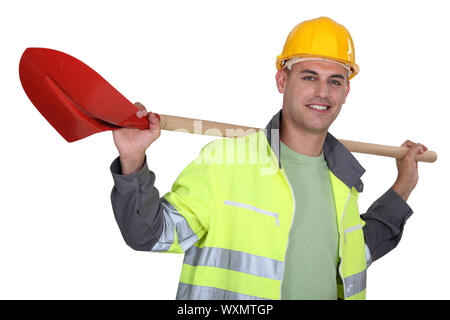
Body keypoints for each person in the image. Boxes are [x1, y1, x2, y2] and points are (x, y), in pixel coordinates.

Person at [109, 17, 426, 300]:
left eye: (335, 81)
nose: (323, 93)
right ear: (282, 81)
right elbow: (148, 234)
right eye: (309, 76)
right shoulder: (226, 161)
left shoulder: (343, 181)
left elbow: (358, 251)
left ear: (346, 92)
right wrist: (133, 159)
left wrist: (404, 186)